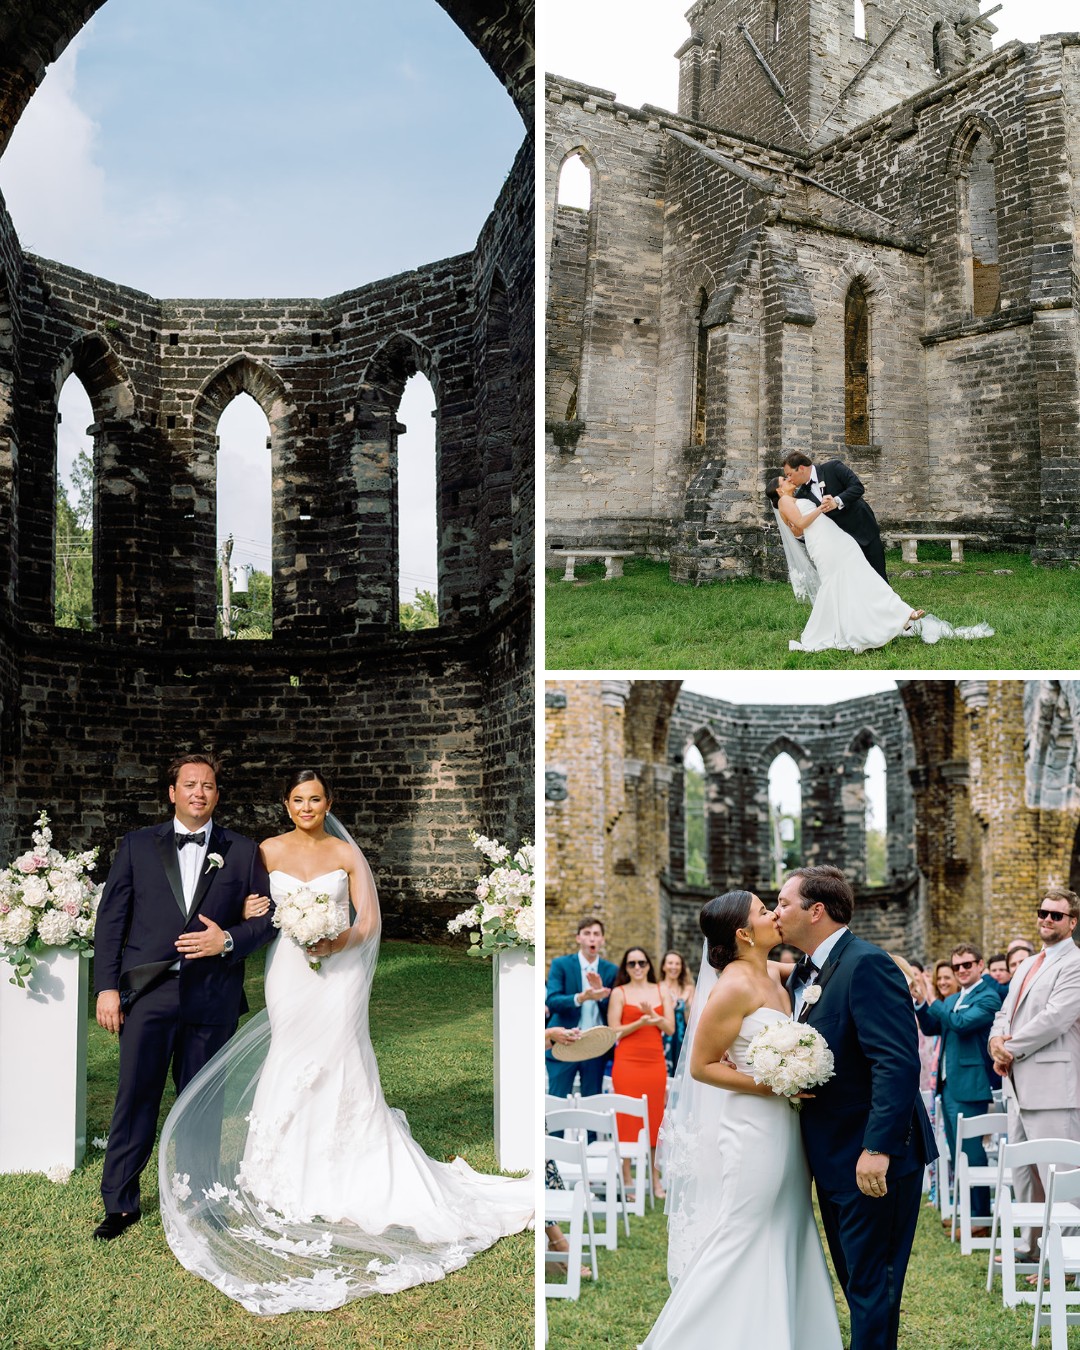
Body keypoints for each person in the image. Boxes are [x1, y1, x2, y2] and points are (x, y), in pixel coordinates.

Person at [157, 769, 532, 1314]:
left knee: (341, 1061)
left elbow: (370, 921)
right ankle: (282, 1172)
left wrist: (339, 939)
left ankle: (347, 1168)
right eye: (296, 799)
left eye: (315, 799)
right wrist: (251, 915)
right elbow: (246, 904)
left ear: (327, 802)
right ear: (285, 804)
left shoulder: (346, 853)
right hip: (289, 971)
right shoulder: (264, 850)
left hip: (341, 974)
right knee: (291, 1057)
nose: (306, 806)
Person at [641, 892, 842, 1349]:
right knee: (744, 1225)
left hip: (786, 1124)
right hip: (753, 1123)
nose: (775, 914)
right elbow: (701, 1065)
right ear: (743, 933)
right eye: (763, 911)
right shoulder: (732, 985)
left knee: (789, 1220)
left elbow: (832, 969)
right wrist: (771, 1085)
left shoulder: (773, 972)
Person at [92, 753, 276, 1240]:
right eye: (190, 784)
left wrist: (229, 940)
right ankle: (121, 1203)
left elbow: (265, 920)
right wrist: (107, 987)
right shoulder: (136, 846)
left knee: (201, 1102)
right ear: (172, 792)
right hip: (147, 994)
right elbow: (111, 921)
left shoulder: (242, 850)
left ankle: (202, 1200)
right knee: (136, 1096)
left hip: (211, 995)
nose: (199, 792)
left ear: (218, 795)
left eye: (209, 786)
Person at [776, 865, 935, 1350]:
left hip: (872, 1156)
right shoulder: (810, 973)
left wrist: (878, 1148)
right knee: (857, 1283)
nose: (776, 911)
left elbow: (897, 1062)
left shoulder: (866, 963)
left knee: (873, 1286)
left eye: (783, 903)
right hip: (832, 1156)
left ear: (816, 910)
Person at [767, 473, 993, 653]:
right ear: (779, 490)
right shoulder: (786, 500)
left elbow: (797, 530)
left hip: (835, 541)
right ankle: (896, 615)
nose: (789, 480)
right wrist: (821, 508)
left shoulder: (791, 500)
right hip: (827, 545)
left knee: (858, 579)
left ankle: (894, 615)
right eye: (784, 480)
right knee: (847, 582)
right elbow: (800, 523)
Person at [988, 888, 1080, 1259]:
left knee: (1060, 1174)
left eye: (1056, 915)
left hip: (1054, 1085)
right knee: (1026, 1175)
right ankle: (1031, 1245)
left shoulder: (1075, 963)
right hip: (1016, 1085)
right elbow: (1004, 1011)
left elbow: (1056, 1018)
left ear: (1072, 922)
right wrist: (996, 1040)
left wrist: (1009, 1048)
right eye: (1042, 912)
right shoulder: (1027, 964)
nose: (1047, 919)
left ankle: (1069, 1257)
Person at [915, 944, 999, 1233]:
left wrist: (932, 999)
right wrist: (920, 1004)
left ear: (979, 965)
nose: (961, 970)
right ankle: (966, 1212)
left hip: (971, 1085)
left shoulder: (988, 996)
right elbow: (932, 1028)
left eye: (967, 965)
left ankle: (980, 1217)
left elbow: (961, 1024)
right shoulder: (952, 999)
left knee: (972, 1152)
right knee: (955, 1150)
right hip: (948, 1085)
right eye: (957, 966)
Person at [608, 947, 674, 1199]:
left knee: (653, 1117)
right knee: (627, 1117)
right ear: (625, 967)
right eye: (632, 963)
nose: (637, 967)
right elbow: (613, 1031)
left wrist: (653, 1015)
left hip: (653, 1062)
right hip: (627, 1062)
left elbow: (669, 1028)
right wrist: (640, 1021)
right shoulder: (619, 992)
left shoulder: (661, 990)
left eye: (642, 963)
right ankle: (627, 1176)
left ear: (649, 965)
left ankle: (654, 1179)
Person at [782, 451, 887, 579]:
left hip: (864, 531)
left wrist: (836, 501)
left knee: (879, 578)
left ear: (802, 468)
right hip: (841, 545)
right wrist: (799, 535)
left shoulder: (833, 467)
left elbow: (857, 487)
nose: (789, 479)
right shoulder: (801, 496)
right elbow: (812, 525)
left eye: (789, 474)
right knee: (854, 582)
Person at [545, 916, 619, 1098]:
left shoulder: (611, 970)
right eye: (587, 933)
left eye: (596, 934)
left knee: (593, 1101)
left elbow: (615, 1010)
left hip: (595, 1046)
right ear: (578, 938)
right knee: (557, 1102)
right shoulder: (561, 964)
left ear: (602, 939)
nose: (592, 938)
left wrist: (601, 996)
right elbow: (552, 1000)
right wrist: (582, 997)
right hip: (564, 1041)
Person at [659, 949, 695, 1074]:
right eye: (670, 963)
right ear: (663, 966)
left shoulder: (688, 988)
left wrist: (686, 1002)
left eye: (677, 963)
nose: (674, 967)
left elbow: (691, 1018)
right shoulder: (657, 987)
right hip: (663, 1037)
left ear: (682, 967)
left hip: (682, 1037)